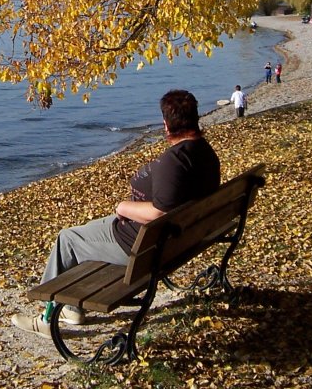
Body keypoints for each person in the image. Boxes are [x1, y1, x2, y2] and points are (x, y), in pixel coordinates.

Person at [12, 89, 221, 337]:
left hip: (139, 247)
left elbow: (159, 213)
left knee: (67, 239)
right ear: (195, 118)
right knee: (87, 229)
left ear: (166, 124)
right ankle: (69, 307)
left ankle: (50, 317)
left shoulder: (174, 161)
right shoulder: (204, 152)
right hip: (169, 240)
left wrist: (122, 207)